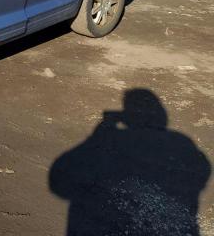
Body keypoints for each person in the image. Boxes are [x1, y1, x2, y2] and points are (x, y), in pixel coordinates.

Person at [50, 89, 210, 235]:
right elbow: (203, 170)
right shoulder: (182, 142)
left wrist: (99, 135)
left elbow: (58, 181)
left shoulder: (114, 139)